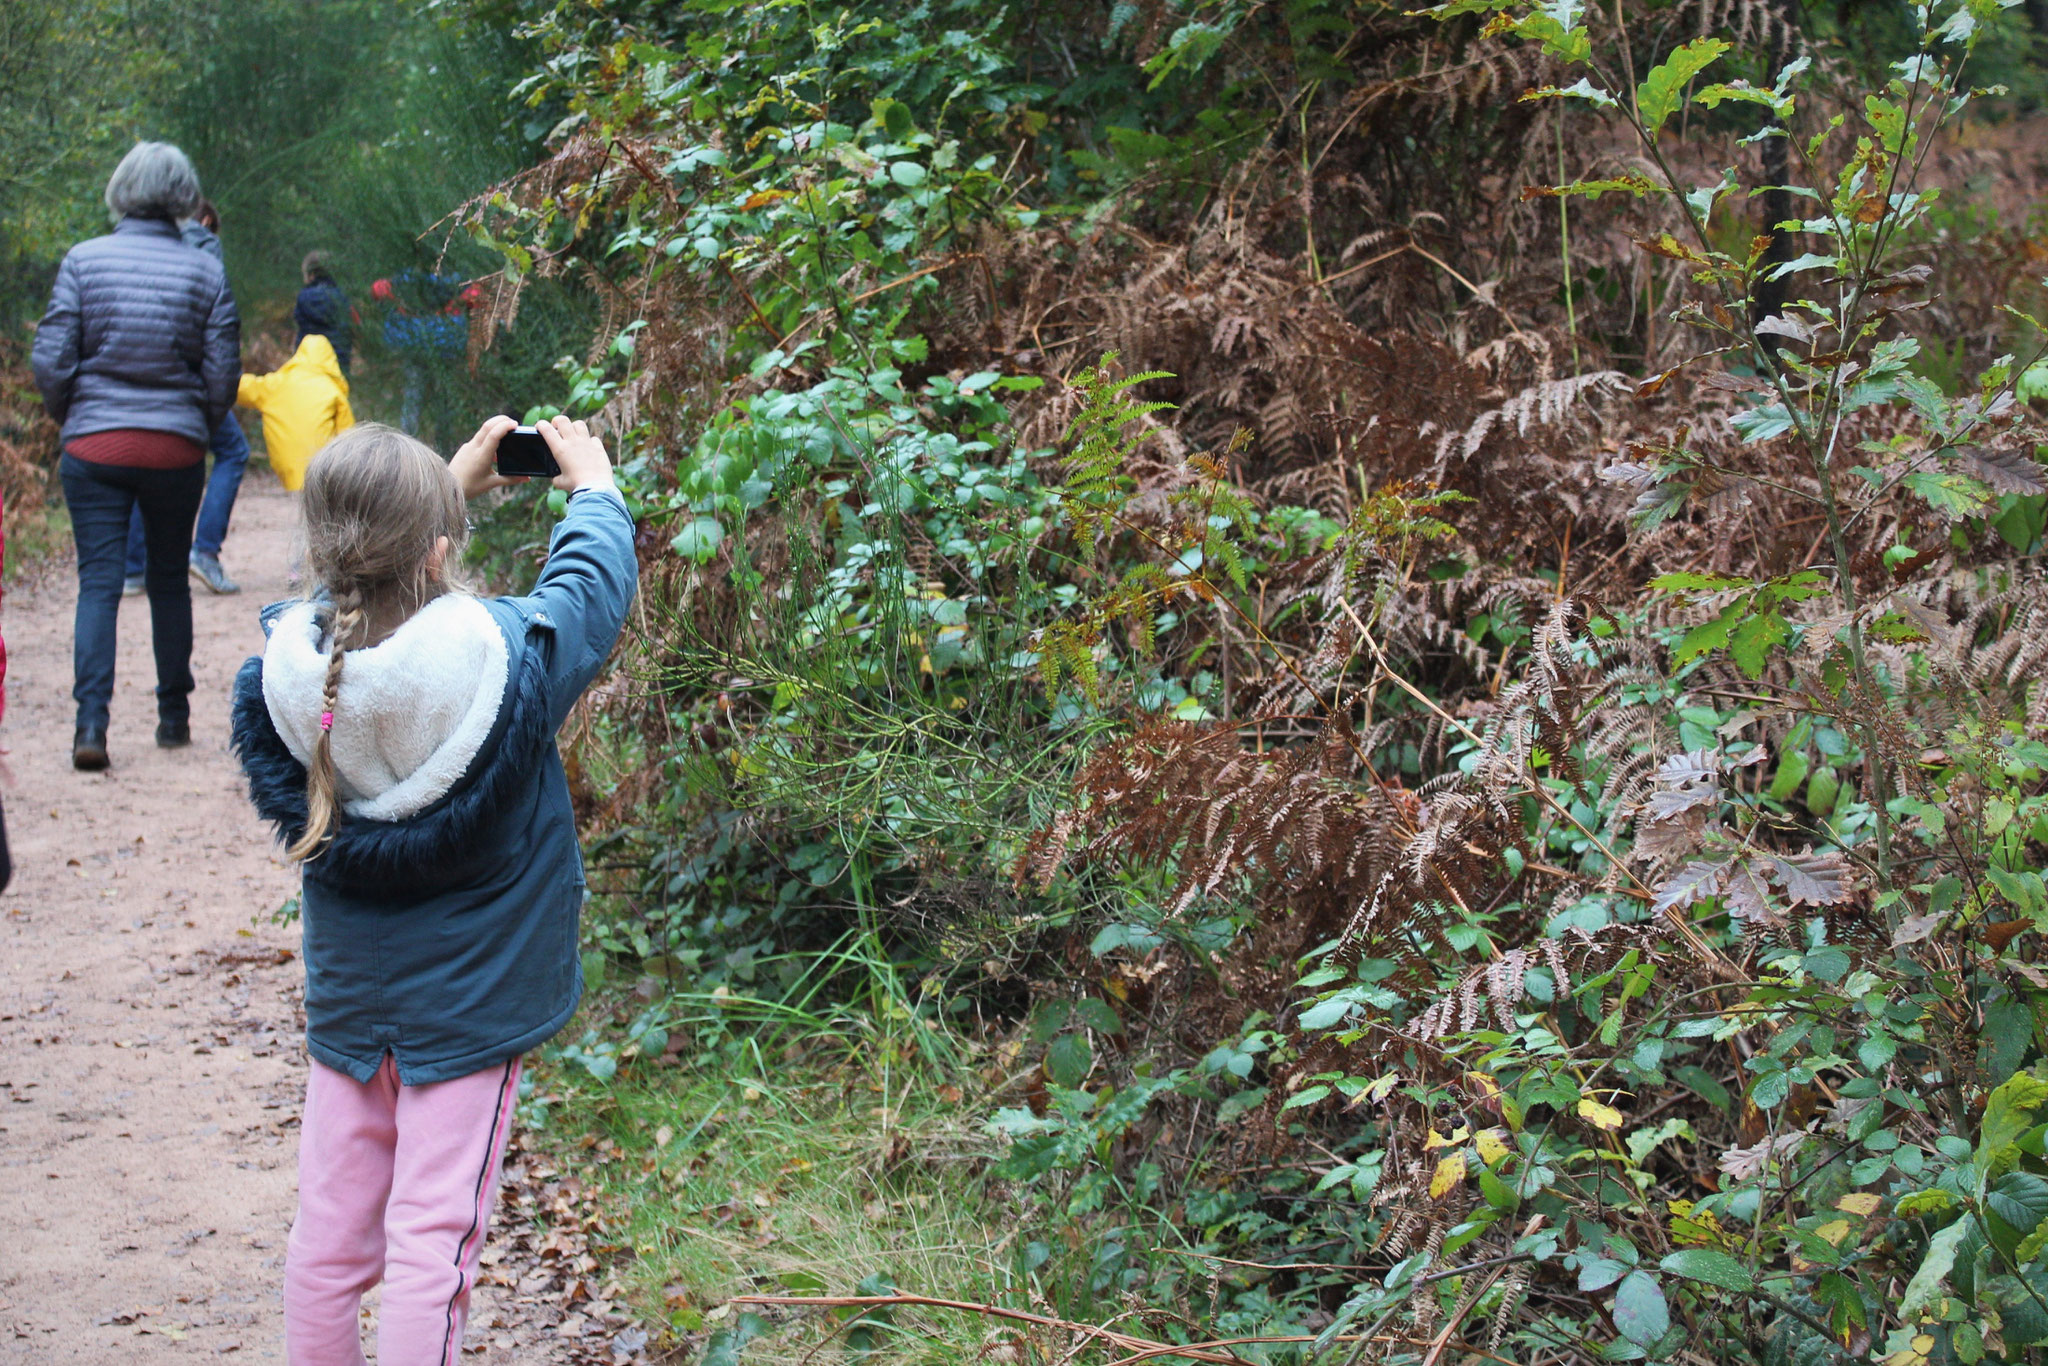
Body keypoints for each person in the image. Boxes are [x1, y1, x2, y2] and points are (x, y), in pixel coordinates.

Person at [229, 415, 636, 1364]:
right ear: (440, 552)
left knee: (328, 1242)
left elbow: (350, 589)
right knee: (431, 1249)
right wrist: (595, 490)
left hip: (349, 1004)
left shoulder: (297, 672)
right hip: (469, 1008)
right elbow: (585, 593)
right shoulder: (500, 657)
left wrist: (442, 490)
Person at [31, 141, 240, 771]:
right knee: (170, 578)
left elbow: (50, 360)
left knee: (98, 584)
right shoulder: (205, 272)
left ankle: (90, 725)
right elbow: (222, 374)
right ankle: (172, 718)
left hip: (93, 444)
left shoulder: (82, 261)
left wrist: (76, 417)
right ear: (183, 197)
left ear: (121, 190)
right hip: (174, 447)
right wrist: (193, 428)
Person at [120, 196, 252, 597]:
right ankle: (205, 553)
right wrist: (214, 400)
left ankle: (131, 569)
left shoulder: (139, 245)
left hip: (137, 377)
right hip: (188, 384)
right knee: (233, 451)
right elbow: (218, 330)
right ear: (207, 218)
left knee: (143, 458)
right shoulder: (204, 247)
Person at [236, 333, 354, 492]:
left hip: (287, 467)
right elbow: (349, 437)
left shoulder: (276, 384)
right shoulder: (333, 391)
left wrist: (215, 375)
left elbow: (243, 388)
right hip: (322, 469)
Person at [370, 270, 473, 440]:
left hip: (415, 348)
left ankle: (410, 444)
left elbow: (378, 289)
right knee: (444, 400)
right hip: (446, 346)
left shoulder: (405, 279)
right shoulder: (456, 280)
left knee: (413, 398)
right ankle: (444, 446)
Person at [294, 252, 352, 374]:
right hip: (338, 364)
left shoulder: (304, 297)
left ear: (311, 275)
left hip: (309, 365)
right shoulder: (342, 297)